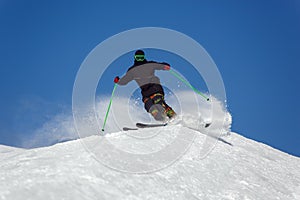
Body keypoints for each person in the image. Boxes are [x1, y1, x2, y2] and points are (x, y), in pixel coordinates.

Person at [114, 50, 176, 122]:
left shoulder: (149, 64)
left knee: (158, 102)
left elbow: (159, 65)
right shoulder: (132, 71)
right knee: (149, 106)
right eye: (138, 58)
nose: (140, 60)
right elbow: (124, 81)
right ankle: (163, 120)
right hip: (145, 93)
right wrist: (118, 81)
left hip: (155, 88)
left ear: (144, 57)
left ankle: (173, 116)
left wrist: (165, 66)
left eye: (141, 57)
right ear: (135, 58)